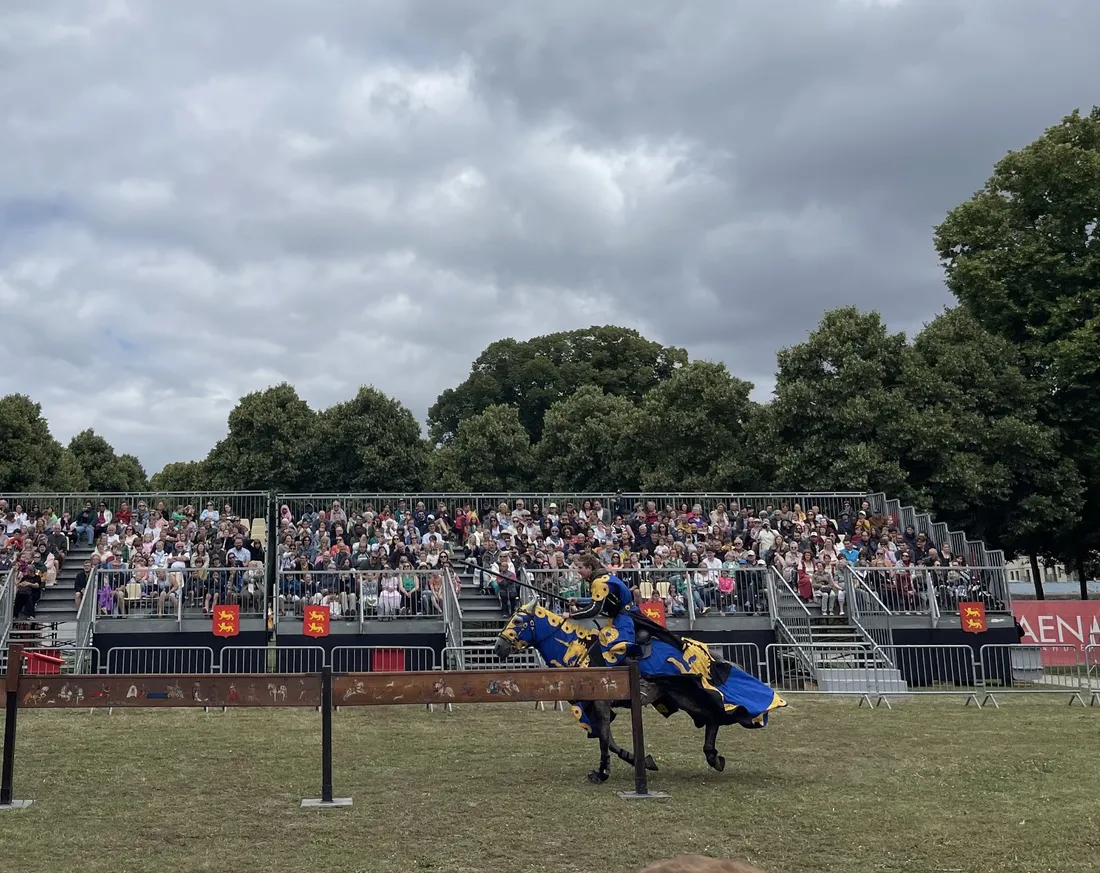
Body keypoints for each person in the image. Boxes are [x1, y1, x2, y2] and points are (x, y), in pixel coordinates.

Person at [567, 551, 640, 666]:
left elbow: (594, 608)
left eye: (580, 567)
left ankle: (634, 673)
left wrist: (572, 616)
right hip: (622, 615)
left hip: (625, 618)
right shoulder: (603, 578)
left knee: (615, 646)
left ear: (590, 567)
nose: (578, 571)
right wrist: (578, 601)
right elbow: (598, 601)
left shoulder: (599, 582)